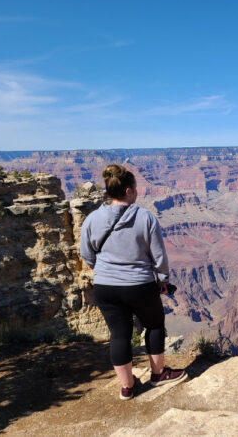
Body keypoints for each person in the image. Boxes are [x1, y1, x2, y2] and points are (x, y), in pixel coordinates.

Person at [80, 163, 187, 400]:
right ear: (128, 190)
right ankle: (158, 374)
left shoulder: (92, 219)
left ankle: (127, 387)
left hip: (105, 287)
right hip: (139, 286)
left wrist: (105, 272)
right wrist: (162, 280)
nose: (137, 192)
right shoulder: (144, 217)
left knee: (119, 334)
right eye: (136, 188)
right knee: (155, 324)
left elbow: (86, 254)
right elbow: (159, 256)